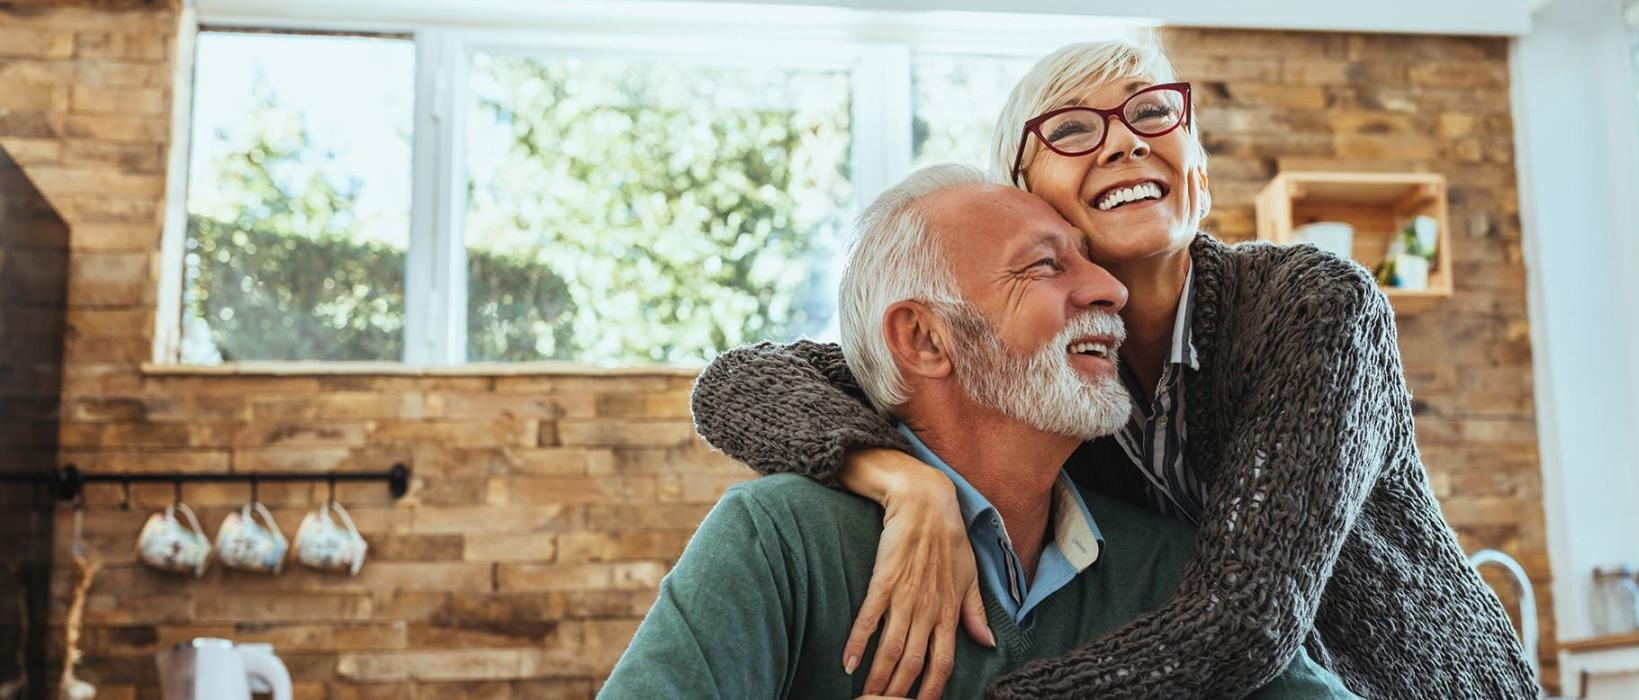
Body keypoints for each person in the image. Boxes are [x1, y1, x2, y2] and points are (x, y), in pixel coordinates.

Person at [689, 40, 1539, 699]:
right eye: (1071, 130)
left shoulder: (1314, 308)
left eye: (1153, 115)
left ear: (1197, 171)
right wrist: (907, 483)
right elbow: (739, 382)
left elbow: (1244, 622)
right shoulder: (1044, 371)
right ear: (1023, 192)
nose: (1126, 142)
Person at [598, 166, 1358, 699]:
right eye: (1044, 266)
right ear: (927, 341)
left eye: (1088, 261)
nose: (1109, 289)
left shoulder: (1169, 567)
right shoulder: (780, 541)